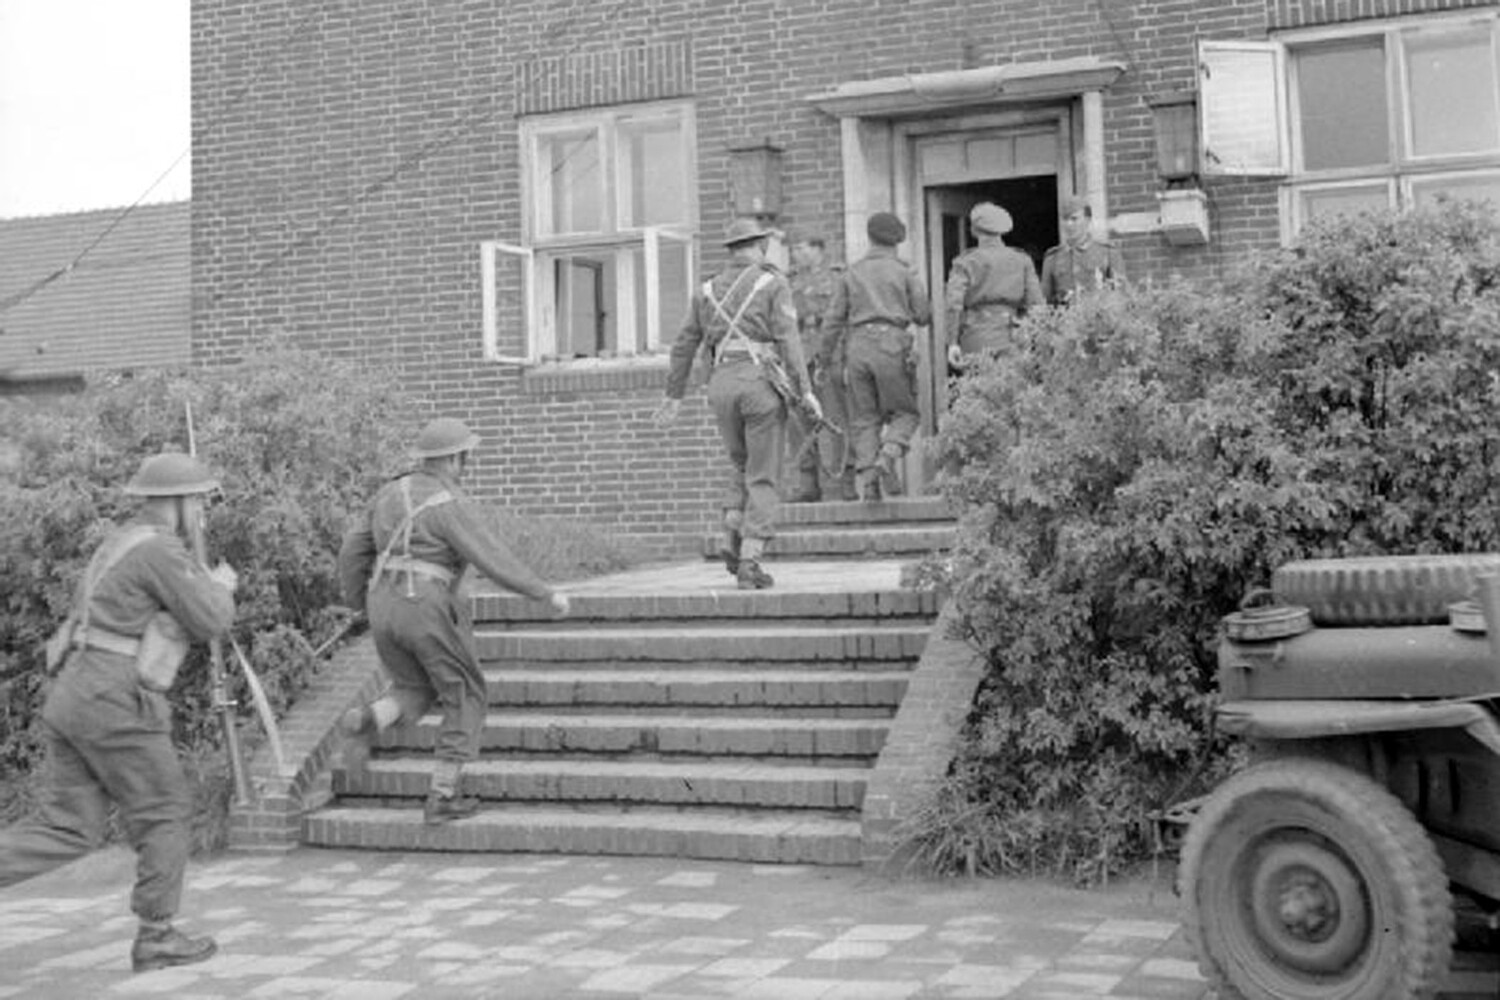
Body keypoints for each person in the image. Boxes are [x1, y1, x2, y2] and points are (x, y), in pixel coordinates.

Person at [0, 452, 238, 973]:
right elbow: (210, 619)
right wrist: (219, 586)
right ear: (178, 502)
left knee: (67, 828)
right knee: (166, 810)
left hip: (75, 690)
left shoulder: (120, 541)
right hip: (115, 698)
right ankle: (157, 934)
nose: (202, 512)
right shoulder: (160, 549)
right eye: (198, 501)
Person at [337, 417, 570, 824]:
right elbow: (490, 556)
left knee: (415, 688)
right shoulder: (448, 502)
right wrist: (543, 594)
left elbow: (351, 552)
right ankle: (442, 796)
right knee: (465, 692)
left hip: (382, 603)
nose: (466, 465)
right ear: (452, 459)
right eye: (465, 457)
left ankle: (369, 718)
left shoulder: (388, 493)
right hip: (423, 603)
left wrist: (360, 604)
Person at [655, 217, 818, 590]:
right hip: (759, 385)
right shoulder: (772, 283)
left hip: (721, 386)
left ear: (731, 250)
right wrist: (805, 391)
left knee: (740, 463)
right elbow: (789, 340)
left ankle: (730, 531)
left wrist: (674, 395)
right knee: (763, 473)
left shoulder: (706, 289)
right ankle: (750, 559)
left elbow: (683, 345)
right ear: (760, 246)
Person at [821, 211, 932, 501]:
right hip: (893, 345)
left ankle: (869, 481)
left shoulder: (851, 273)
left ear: (869, 237)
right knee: (906, 412)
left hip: (857, 348)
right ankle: (889, 453)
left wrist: (824, 358)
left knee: (864, 419)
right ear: (897, 240)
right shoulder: (904, 272)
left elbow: (832, 321)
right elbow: (923, 315)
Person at [785, 231, 852, 502]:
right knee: (800, 423)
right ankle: (808, 484)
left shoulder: (838, 277)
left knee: (836, 419)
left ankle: (846, 480)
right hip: (800, 358)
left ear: (818, 249)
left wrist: (846, 359)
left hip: (830, 355)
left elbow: (847, 321)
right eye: (793, 250)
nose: (796, 254)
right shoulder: (789, 282)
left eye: (801, 248)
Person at [944, 202, 1043, 368]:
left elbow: (954, 305)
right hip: (1013, 336)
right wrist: (1035, 339)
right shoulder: (1022, 260)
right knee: (1013, 383)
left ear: (974, 230)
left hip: (976, 336)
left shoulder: (965, 262)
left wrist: (952, 342)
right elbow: (1036, 304)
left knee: (978, 383)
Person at [1040, 195, 1126, 306]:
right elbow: (1045, 302)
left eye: (1074, 219)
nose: (1069, 224)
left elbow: (1120, 296)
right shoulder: (1052, 258)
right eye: (1065, 219)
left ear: (1087, 220)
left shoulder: (1108, 253)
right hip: (1065, 316)